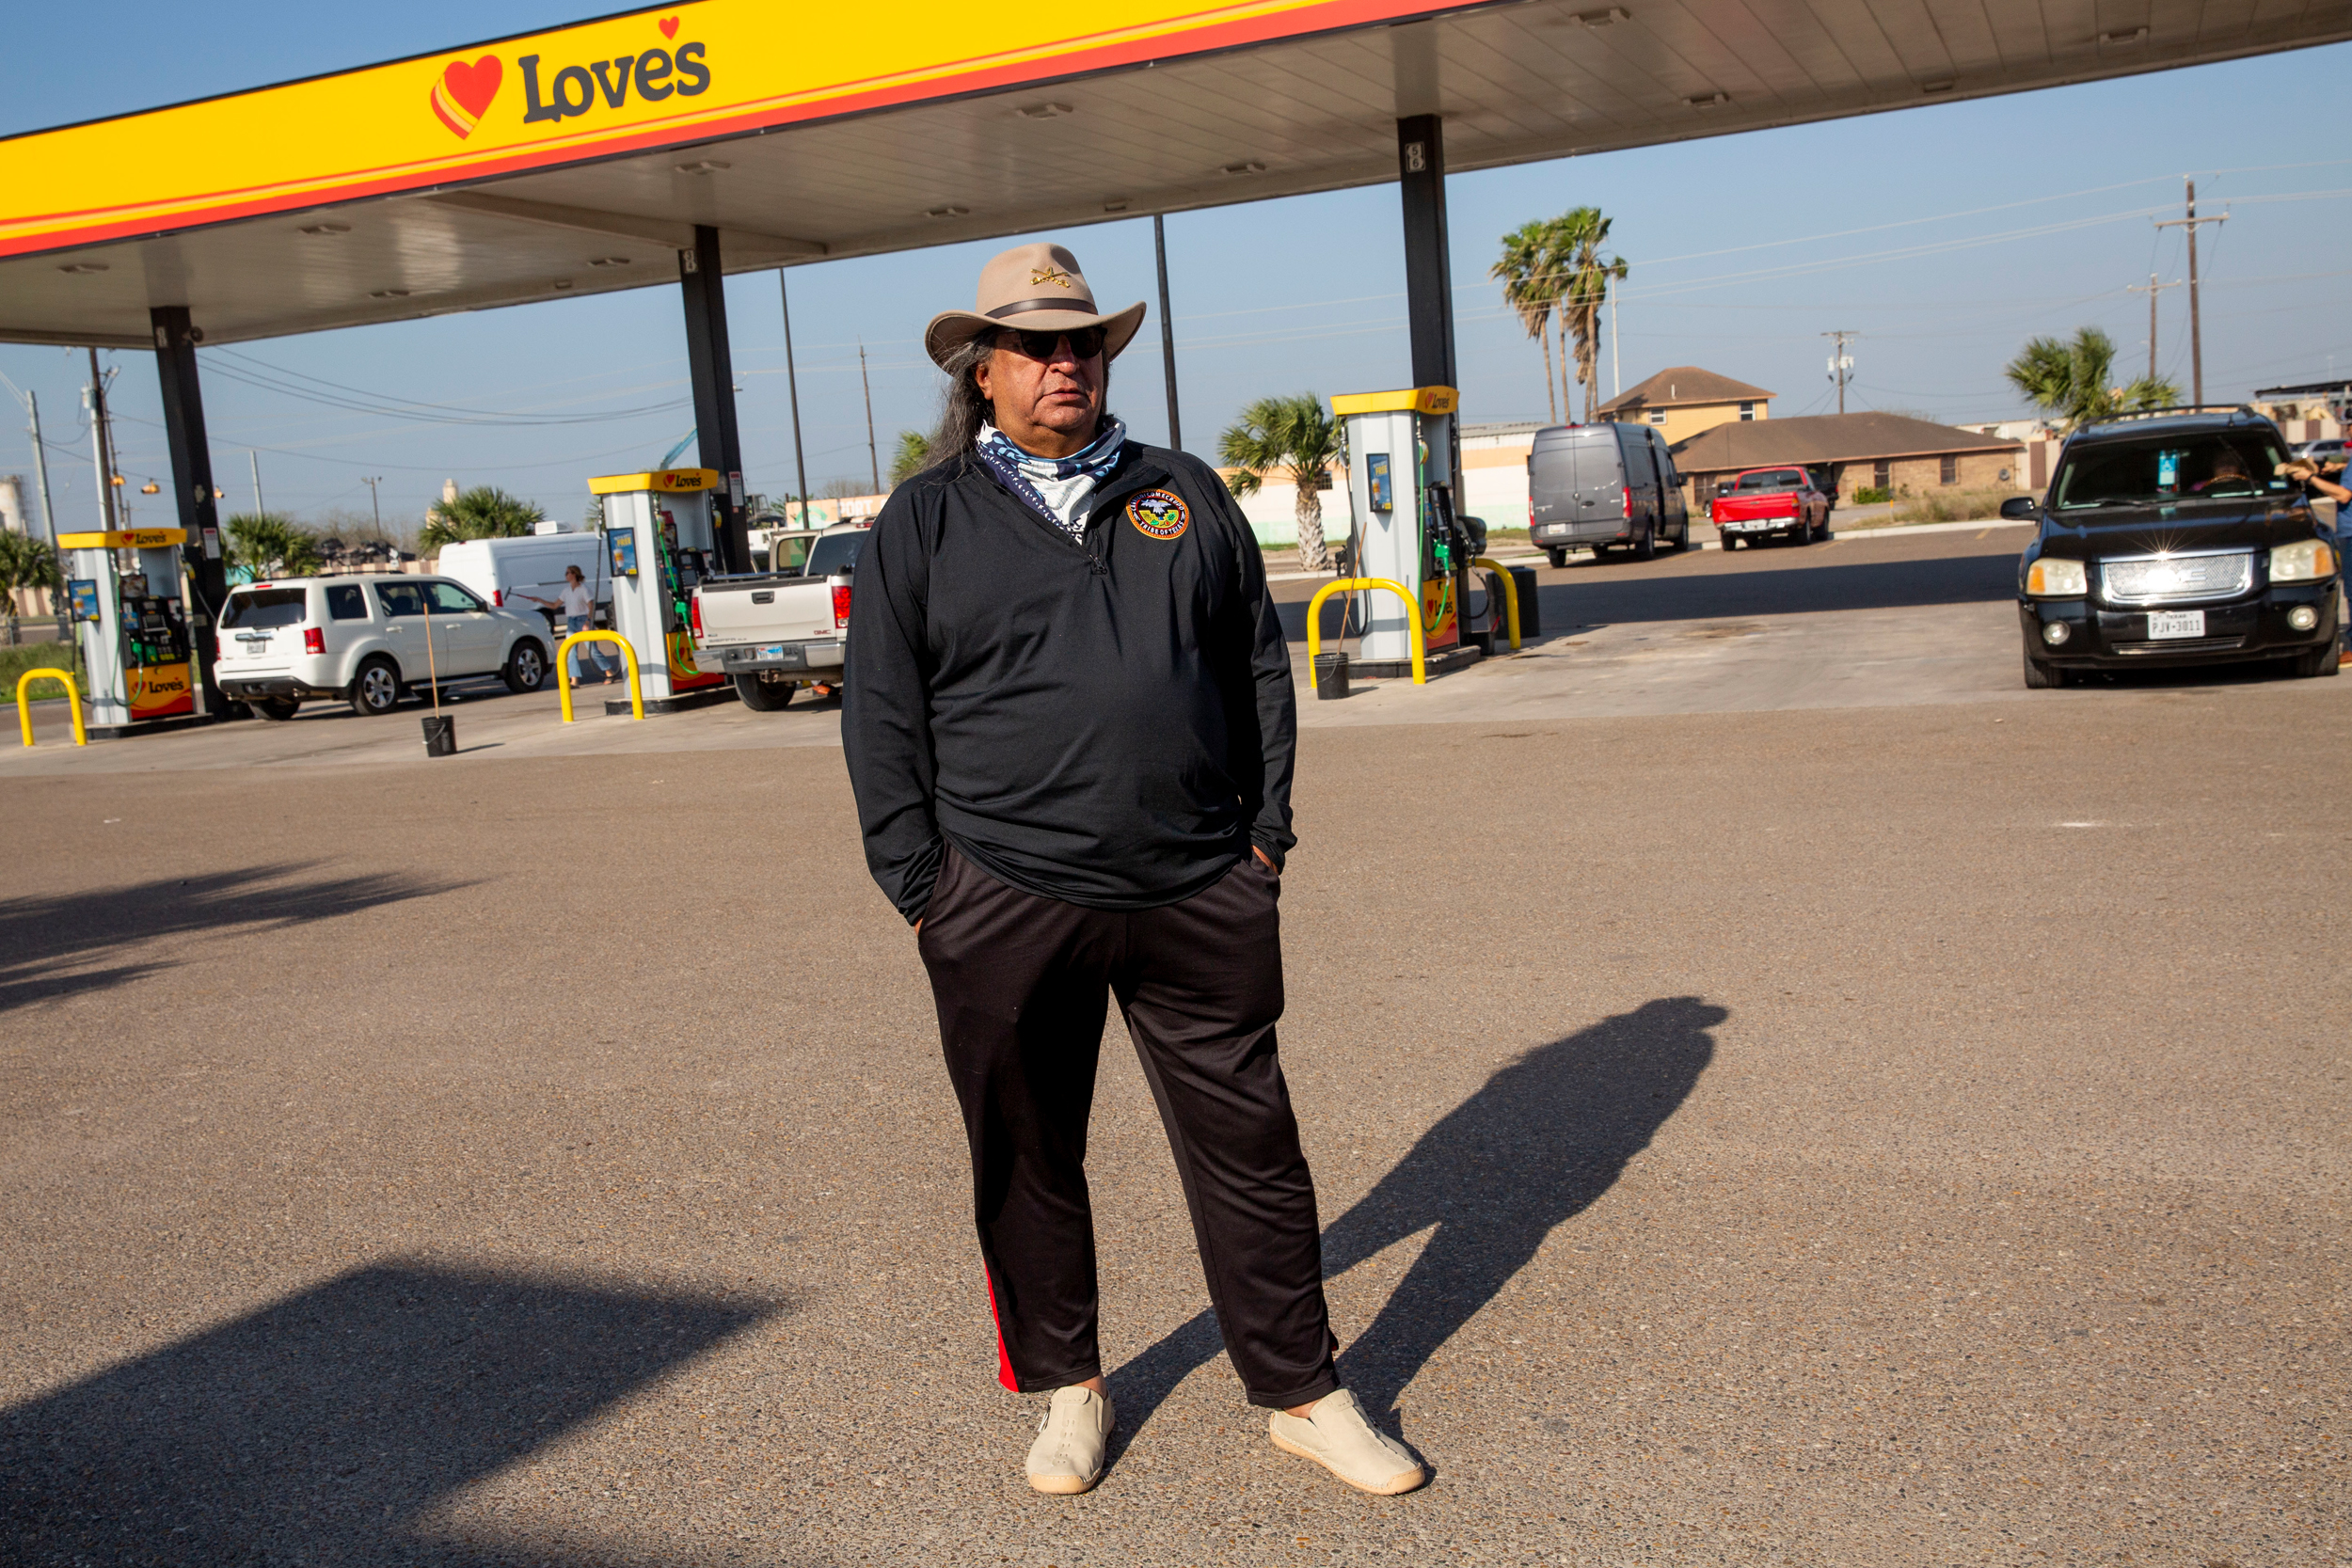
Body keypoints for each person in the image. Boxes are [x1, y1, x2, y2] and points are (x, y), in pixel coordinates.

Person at [841, 243, 1426, 1499]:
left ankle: (1303, 1387)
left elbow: (1256, 669)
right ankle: (1068, 1387)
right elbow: (881, 712)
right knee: (1029, 1146)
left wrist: (1262, 836)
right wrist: (924, 887)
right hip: (1002, 891)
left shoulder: (1181, 492)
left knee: (1252, 1143)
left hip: (1196, 885)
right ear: (981, 368)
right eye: (1040, 345)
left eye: (1086, 341)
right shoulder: (926, 519)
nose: (1068, 362)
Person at [516, 565, 613, 683]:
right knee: (571, 651)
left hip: (583, 620)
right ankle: (574, 679)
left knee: (592, 650)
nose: (566, 575)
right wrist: (539, 600)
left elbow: (591, 605)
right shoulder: (566, 591)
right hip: (571, 621)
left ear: (574, 574)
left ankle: (609, 672)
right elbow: (554, 605)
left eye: (568, 573)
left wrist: (588, 621)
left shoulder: (584, 589)